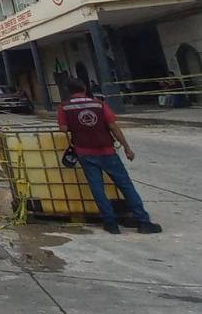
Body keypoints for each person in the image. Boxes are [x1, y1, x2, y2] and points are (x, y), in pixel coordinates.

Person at [57, 77, 162, 235]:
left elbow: (64, 128)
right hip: (107, 151)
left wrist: (77, 127)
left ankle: (110, 223)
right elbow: (113, 127)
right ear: (85, 88)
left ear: (68, 91)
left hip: (84, 152)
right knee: (126, 186)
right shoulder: (99, 104)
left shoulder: (64, 108)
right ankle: (143, 222)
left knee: (97, 188)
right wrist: (127, 147)